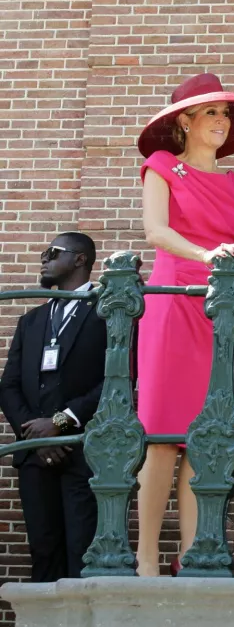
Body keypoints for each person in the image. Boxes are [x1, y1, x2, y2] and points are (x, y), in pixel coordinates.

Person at [135, 72, 234, 576]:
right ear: (185, 121)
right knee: (159, 436)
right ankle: (147, 560)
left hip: (223, 312)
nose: (222, 122)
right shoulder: (161, 167)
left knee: (204, 439)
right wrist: (207, 254)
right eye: (212, 113)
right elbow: (156, 231)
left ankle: (193, 558)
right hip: (173, 303)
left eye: (226, 114)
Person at [0, 232, 104, 581]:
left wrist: (60, 423)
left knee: (82, 549)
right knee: (43, 549)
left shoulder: (106, 311)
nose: (44, 259)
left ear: (80, 259)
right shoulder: (31, 320)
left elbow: (117, 380)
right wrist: (37, 435)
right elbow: (9, 385)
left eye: (52, 252)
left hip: (81, 451)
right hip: (35, 454)